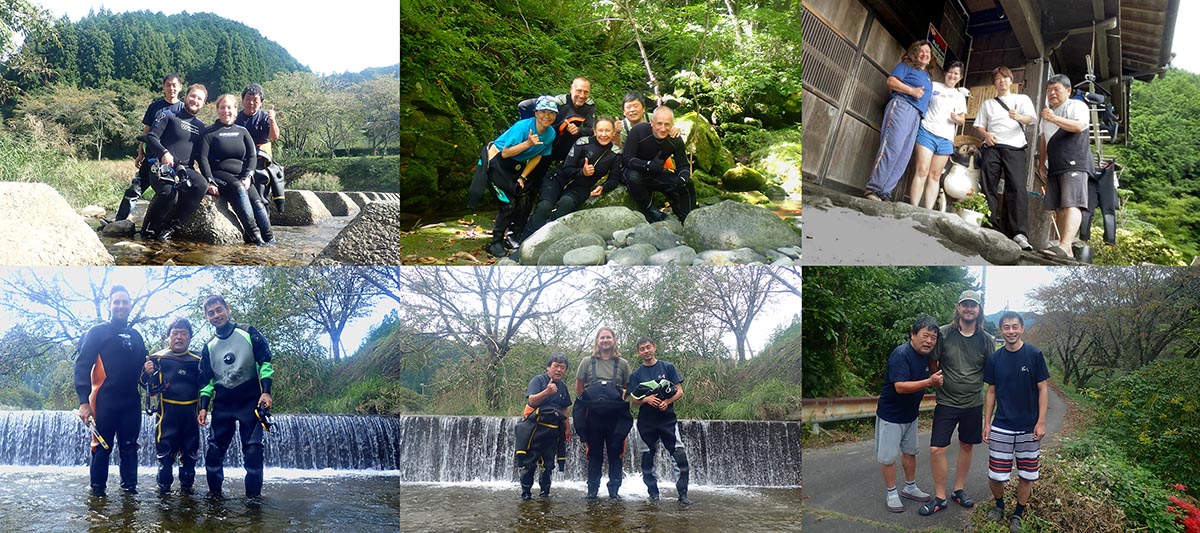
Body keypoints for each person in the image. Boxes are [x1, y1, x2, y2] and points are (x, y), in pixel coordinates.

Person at [920, 290, 994, 516]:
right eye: (965, 305)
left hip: (973, 403)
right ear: (958, 308)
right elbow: (933, 361)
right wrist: (938, 381)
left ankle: (958, 490)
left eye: (973, 305)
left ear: (979, 310)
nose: (969, 309)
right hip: (947, 402)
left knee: (966, 445)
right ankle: (940, 497)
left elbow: (991, 374)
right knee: (936, 449)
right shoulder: (943, 333)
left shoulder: (987, 340)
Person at [196, 295, 274, 500]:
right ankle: (215, 500)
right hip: (223, 404)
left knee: (253, 452)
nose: (216, 315)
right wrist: (203, 407)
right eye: (210, 312)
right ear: (206, 317)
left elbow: (264, 363)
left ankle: (253, 503)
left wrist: (266, 391)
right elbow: (206, 381)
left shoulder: (248, 332)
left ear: (227, 309)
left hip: (250, 401)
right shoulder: (209, 346)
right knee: (213, 453)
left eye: (219, 310)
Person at [74, 285, 148, 497]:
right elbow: (81, 366)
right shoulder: (97, 333)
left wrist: (149, 372)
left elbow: (143, 374)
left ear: (130, 305)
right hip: (104, 400)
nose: (121, 306)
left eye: (124, 302)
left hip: (131, 403)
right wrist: (83, 402)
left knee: (129, 447)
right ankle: (97, 497)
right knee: (102, 447)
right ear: (109, 305)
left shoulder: (136, 336)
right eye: (116, 302)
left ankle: (129, 496)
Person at [983, 312, 1049, 532]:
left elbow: (1042, 389)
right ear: (1001, 330)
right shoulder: (995, 359)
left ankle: (1018, 514)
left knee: (1026, 474)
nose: (1010, 331)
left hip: (1029, 427)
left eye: (1014, 327)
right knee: (996, 474)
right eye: (1006, 327)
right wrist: (987, 423)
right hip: (1001, 425)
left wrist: (1040, 422)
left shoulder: (1034, 354)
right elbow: (991, 391)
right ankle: (999, 505)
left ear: (1022, 328)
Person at [469, 95, 557, 258]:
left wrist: (522, 177)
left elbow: (539, 156)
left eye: (551, 113)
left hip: (515, 166)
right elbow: (506, 152)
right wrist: (528, 144)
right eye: (543, 111)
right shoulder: (523, 127)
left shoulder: (550, 133)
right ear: (536, 113)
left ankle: (513, 236)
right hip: (497, 162)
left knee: (523, 197)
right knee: (507, 203)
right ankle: (495, 243)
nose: (547, 116)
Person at [875, 314, 942, 513]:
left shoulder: (926, 357)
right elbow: (900, 387)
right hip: (891, 415)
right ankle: (892, 492)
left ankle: (910, 487)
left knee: (910, 452)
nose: (929, 340)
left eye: (933, 337)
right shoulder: (901, 354)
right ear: (912, 335)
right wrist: (929, 382)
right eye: (925, 335)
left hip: (911, 415)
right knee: (888, 457)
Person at [521, 117, 619, 239]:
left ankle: (552, 240)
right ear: (594, 131)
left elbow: (614, 179)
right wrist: (582, 172)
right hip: (558, 178)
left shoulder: (615, 153)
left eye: (608, 131)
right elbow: (567, 168)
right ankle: (524, 242)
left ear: (614, 132)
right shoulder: (582, 142)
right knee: (545, 206)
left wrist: (603, 187)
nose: (604, 134)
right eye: (600, 130)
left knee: (565, 204)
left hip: (581, 187)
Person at [863, 41, 934, 202]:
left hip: (916, 116)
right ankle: (873, 188)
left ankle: (885, 191)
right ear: (914, 53)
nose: (925, 54)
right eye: (921, 51)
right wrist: (911, 91)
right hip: (902, 106)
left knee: (903, 155)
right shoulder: (906, 66)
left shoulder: (928, 77)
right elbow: (891, 82)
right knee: (892, 148)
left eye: (928, 53)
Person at [198, 94, 273, 246]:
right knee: (238, 188)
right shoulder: (209, 132)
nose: (226, 111)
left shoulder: (242, 131)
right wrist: (210, 181)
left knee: (258, 204)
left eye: (230, 107)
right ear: (217, 110)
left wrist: (248, 176)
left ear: (235, 110)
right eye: (223, 107)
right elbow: (203, 159)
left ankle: (270, 238)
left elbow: (252, 156)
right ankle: (255, 237)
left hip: (242, 176)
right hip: (219, 174)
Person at [975, 66, 1036, 250]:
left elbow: (1031, 119)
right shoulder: (988, 104)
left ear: (1011, 80)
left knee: (1017, 188)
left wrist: (1019, 116)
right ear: (994, 83)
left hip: (1015, 147)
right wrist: (986, 135)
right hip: (992, 147)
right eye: (998, 78)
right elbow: (979, 125)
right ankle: (988, 224)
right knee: (988, 185)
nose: (1002, 81)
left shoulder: (1021, 99)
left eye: (1005, 78)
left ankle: (1018, 233)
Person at [141, 317, 202, 495]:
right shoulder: (158, 359)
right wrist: (147, 372)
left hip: (191, 420)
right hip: (166, 420)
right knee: (165, 461)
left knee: (189, 461)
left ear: (190, 337)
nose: (179, 337)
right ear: (168, 337)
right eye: (175, 333)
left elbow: (208, 385)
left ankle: (187, 496)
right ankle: (163, 500)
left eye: (184, 334)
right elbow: (143, 383)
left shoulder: (198, 360)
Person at [141, 83, 209, 242]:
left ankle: (170, 228)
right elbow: (151, 137)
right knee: (169, 194)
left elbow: (201, 156)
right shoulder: (169, 115)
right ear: (185, 97)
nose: (195, 100)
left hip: (184, 169)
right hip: (161, 165)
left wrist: (210, 178)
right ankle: (147, 233)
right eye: (193, 96)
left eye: (199, 99)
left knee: (201, 184)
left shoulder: (200, 126)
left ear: (203, 103)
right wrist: (164, 152)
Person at [572, 327, 633, 500]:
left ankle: (614, 491)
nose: (605, 340)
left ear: (614, 340)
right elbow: (579, 388)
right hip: (593, 416)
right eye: (602, 337)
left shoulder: (622, 364)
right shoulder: (586, 361)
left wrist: (617, 397)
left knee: (616, 452)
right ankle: (593, 491)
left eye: (608, 337)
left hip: (615, 417)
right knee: (594, 454)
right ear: (597, 341)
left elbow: (628, 388)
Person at [627, 336, 689, 504]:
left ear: (654, 347)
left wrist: (666, 402)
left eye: (648, 347)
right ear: (638, 352)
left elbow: (680, 391)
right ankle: (653, 495)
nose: (646, 351)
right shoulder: (636, 374)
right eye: (642, 349)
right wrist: (646, 400)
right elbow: (633, 401)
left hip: (667, 419)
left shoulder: (667, 367)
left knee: (679, 456)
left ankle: (683, 495)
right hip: (646, 422)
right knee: (647, 459)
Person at [1037, 75, 1091, 259]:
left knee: (1072, 203)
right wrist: (1041, 162)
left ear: (1068, 90)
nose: (1052, 93)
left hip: (1074, 159)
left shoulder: (1076, 106)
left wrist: (1053, 118)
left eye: (1056, 89)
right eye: (1048, 90)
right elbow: (1044, 139)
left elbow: (1078, 126)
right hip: (1055, 164)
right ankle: (1063, 248)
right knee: (1059, 207)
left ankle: (1066, 245)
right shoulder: (1047, 114)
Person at [118, 74, 184, 221]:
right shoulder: (155, 106)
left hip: (170, 160)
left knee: (168, 191)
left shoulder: (183, 109)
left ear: (180, 87)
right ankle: (119, 221)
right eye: (168, 85)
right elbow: (146, 131)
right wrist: (140, 152)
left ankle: (163, 224)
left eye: (174, 85)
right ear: (163, 87)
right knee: (134, 189)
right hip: (151, 156)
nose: (171, 88)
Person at [909, 61, 968, 209]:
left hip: (946, 139)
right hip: (927, 131)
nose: (952, 76)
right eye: (950, 72)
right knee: (922, 170)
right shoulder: (934, 86)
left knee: (935, 175)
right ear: (945, 73)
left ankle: (928, 211)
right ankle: (913, 207)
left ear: (960, 77)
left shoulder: (959, 96)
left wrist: (956, 118)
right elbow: (921, 101)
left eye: (956, 74)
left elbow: (962, 120)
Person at [621, 106, 696, 222]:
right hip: (634, 171)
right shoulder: (638, 131)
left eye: (667, 124)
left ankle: (689, 219)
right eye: (659, 124)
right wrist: (647, 165)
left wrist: (682, 179)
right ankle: (650, 210)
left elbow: (683, 165)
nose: (663, 128)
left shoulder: (675, 139)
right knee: (633, 176)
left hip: (655, 173)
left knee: (687, 184)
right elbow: (627, 159)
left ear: (672, 125)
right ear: (652, 123)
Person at [514, 353, 572, 500]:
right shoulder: (538, 380)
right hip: (535, 429)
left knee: (548, 465)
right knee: (529, 463)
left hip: (553, 431)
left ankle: (545, 493)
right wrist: (547, 392)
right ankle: (526, 493)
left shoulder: (563, 387)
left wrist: (567, 428)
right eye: (556, 366)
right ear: (548, 368)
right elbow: (532, 401)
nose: (559, 370)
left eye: (562, 367)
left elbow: (565, 409)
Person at [235, 83, 286, 213]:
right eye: (248, 99)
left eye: (255, 100)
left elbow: (274, 136)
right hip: (240, 160)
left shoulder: (264, 117)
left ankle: (265, 228)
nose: (251, 103)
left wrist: (272, 120)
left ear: (261, 102)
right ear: (242, 100)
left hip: (260, 163)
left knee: (261, 199)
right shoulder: (235, 118)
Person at [518, 77, 596, 163]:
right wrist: (532, 130)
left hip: (564, 149)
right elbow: (524, 105)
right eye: (579, 91)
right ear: (571, 89)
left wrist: (578, 130)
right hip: (545, 144)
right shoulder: (558, 101)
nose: (582, 95)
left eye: (586, 92)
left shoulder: (589, 105)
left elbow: (591, 129)